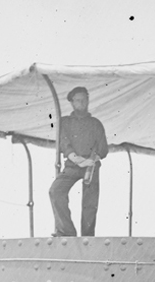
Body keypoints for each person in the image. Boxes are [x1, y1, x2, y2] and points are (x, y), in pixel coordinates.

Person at [48, 86, 109, 237]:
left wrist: (92, 159)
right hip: (72, 165)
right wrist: (75, 158)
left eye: (84, 99)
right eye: (77, 100)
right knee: (56, 191)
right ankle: (66, 231)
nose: (81, 103)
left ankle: (88, 237)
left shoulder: (96, 124)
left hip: (91, 167)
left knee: (90, 203)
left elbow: (103, 148)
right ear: (72, 103)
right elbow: (63, 142)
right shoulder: (65, 122)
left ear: (88, 101)